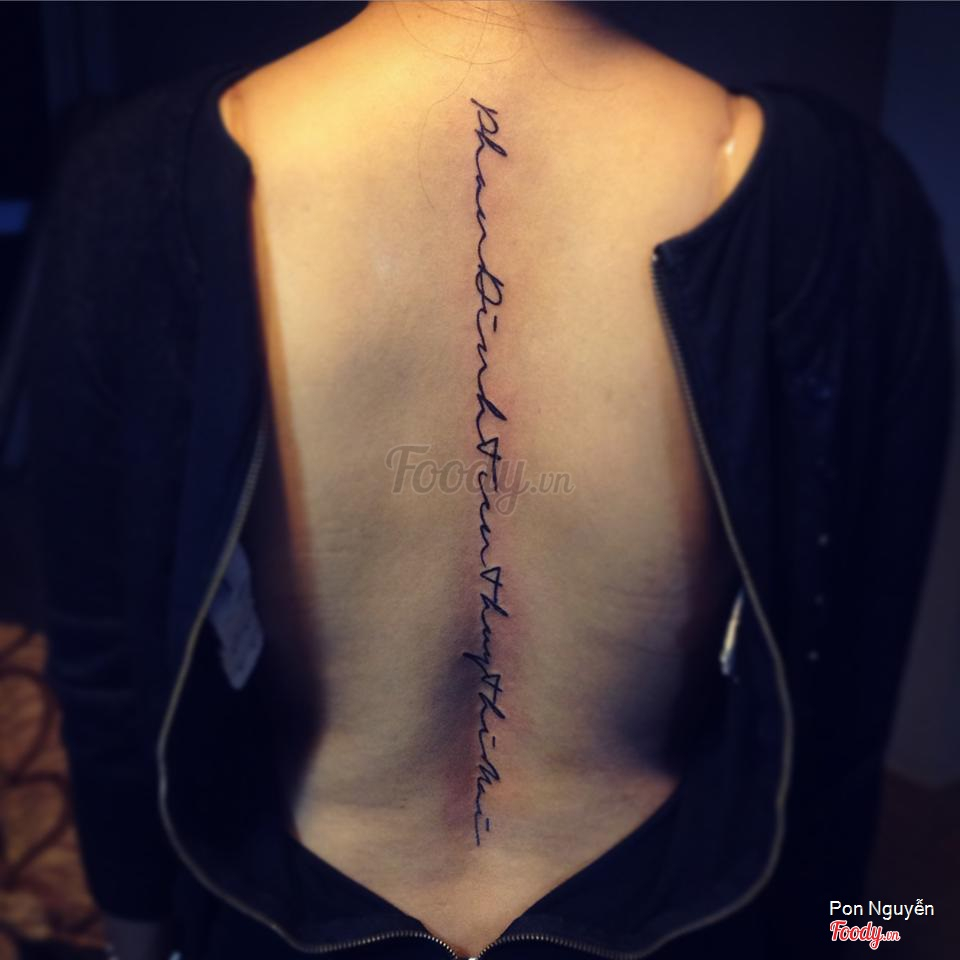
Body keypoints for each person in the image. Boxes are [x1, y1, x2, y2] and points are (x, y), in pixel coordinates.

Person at [23, 2, 952, 958]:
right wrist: (856, 938)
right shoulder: (849, 202)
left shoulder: (129, 184)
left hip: (279, 914)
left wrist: (138, 938)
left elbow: (106, 664)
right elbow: (848, 705)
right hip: (684, 918)